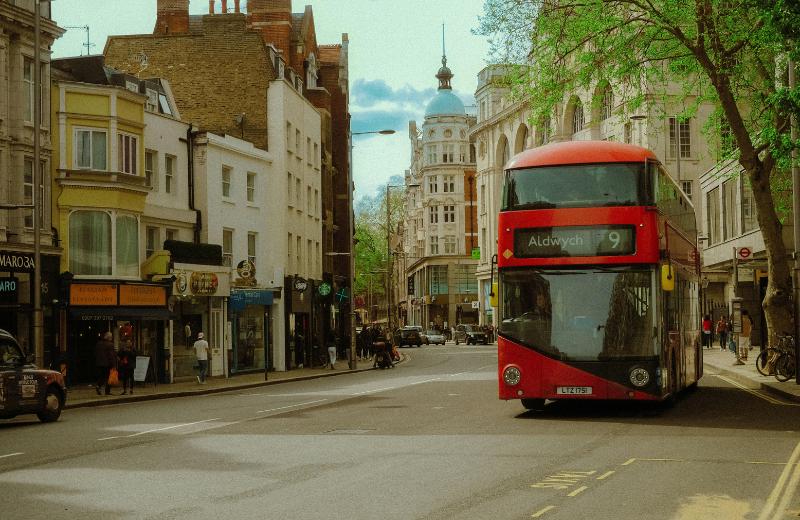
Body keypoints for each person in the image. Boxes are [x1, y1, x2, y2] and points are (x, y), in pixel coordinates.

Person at [95, 332, 117, 396]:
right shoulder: (110, 345)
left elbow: (96, 353)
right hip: (108, 364)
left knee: (101, 376)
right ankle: (107, 391)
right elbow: (112, 355)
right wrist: (114, 365)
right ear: (109, 337)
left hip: (100, 363)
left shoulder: (99, 344)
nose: (112, 338)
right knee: (109, 378)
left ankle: (98, 385)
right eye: (111, 337)